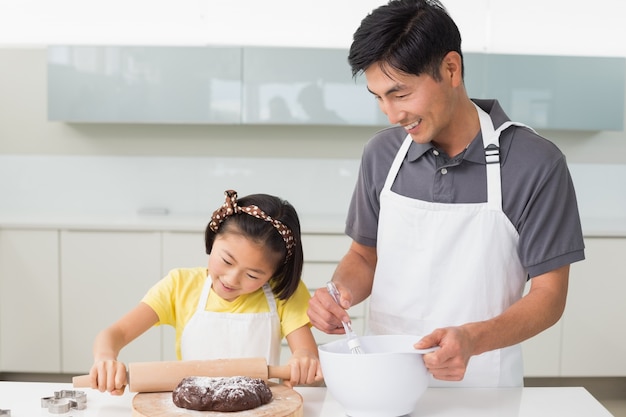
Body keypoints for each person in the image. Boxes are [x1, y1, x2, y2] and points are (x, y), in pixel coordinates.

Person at [307, 0, 585, 388]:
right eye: (378, 97)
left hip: (484, 388)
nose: (390, 115)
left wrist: (473, 339)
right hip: (386, 385)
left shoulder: (535, 163)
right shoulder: (381, 154)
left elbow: (549, 296)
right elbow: (363, 255)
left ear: (450, 69)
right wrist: (340, 293)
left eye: (400, 94)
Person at [90, 190, 322, 395]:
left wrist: (305, 359)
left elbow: (304, 351)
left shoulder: (281, 293)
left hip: (261, 409)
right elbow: (115, 333)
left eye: (253, 275)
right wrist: (105, 360)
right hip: (193, 408)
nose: (232, 279)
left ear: (273, 273)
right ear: (213, 239)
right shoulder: (179, 285)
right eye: (226, 260)